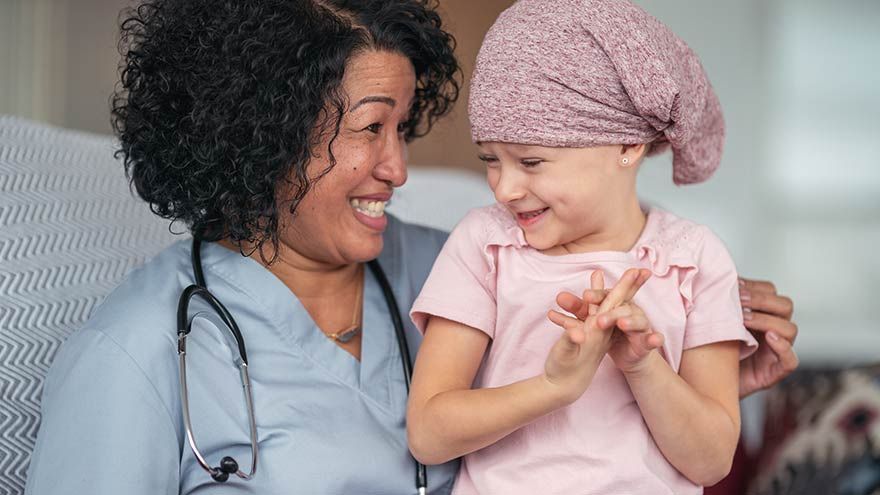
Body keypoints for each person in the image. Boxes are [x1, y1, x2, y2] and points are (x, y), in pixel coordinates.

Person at [24, 0, 796, 494]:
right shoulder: (135, 355)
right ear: (260, 139)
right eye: (369, 130)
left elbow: (592, 384)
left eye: (403, 128)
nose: (398, 168)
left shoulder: (465, 265)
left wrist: (704, 356)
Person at [405, 1, 797, 494]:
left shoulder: (693, 260)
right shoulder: (486, 244)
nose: (503, 189)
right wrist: (552, 388)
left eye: (531, 161)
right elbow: (428, 433)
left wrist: (642, 364)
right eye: (491, 159)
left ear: (628, 146)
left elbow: (711, 460)